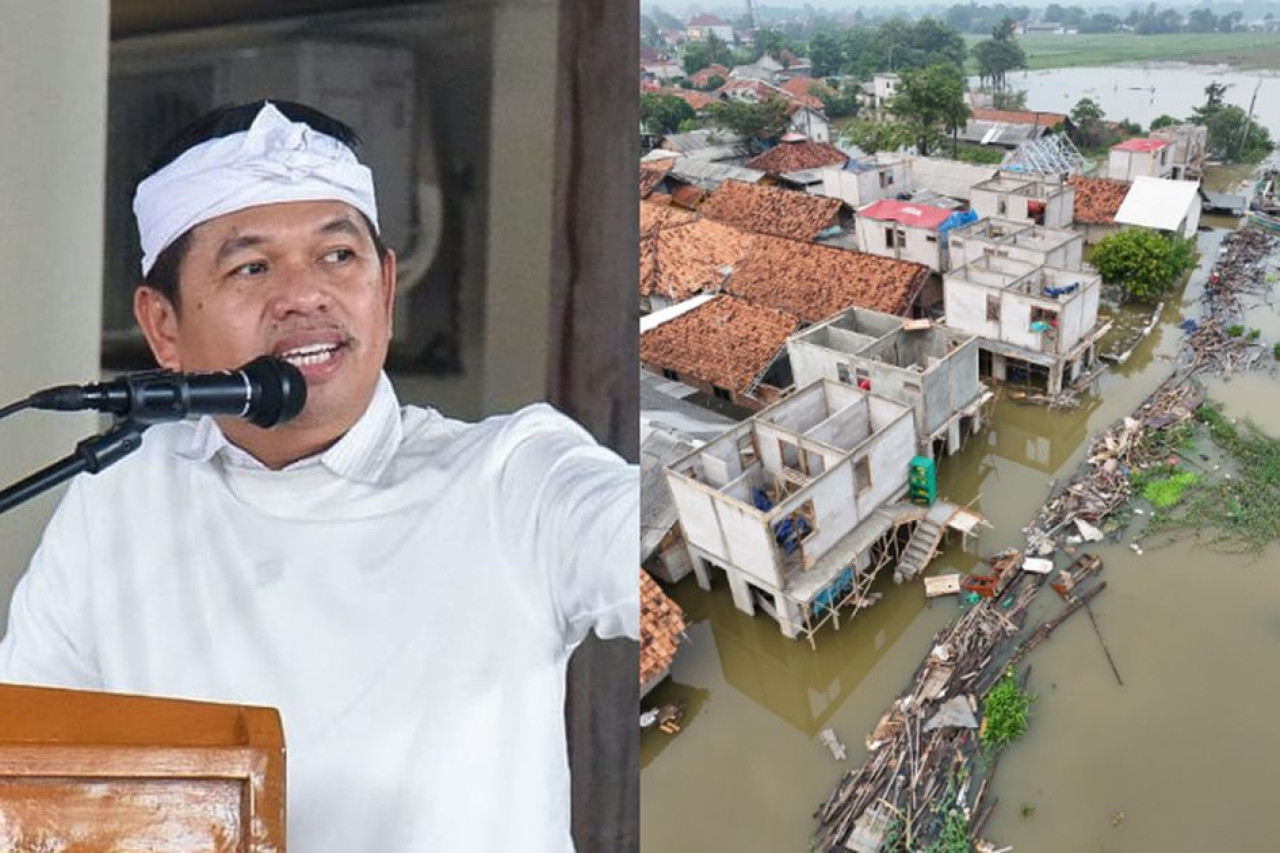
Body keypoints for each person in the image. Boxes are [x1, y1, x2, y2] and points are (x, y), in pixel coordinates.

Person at [0, 100, 638, 851]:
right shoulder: (117, 492)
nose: (306, 295)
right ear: (163, 327)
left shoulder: (513, 475)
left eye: (339, 256)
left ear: (386, 289)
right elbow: (29, 786)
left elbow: (639, 526)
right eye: (252, 266)